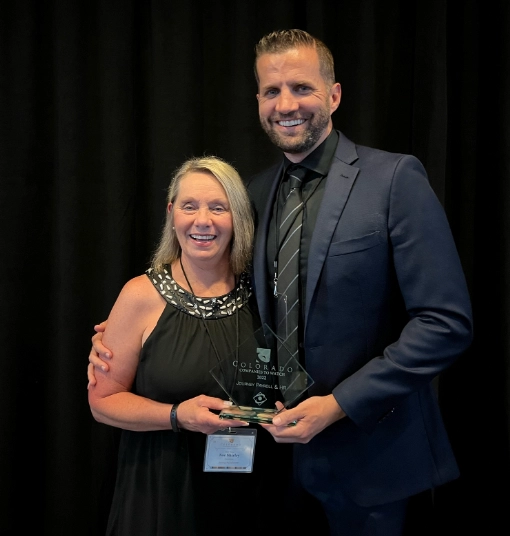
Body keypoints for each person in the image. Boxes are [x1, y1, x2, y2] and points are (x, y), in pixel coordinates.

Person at [89, 30, 473, 535]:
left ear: (334, 95)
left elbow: (446, 323)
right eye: (271, 91)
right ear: (258, 101)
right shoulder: (255, 193)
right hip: (272, 469)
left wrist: (337, 406)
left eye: (301, 87)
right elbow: (228, 298)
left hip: (370, 462)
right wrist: (127, 332)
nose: (285, 104)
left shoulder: (395, 179)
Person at [87, 156, 297, 536]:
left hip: (249, 497)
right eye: (190, 206)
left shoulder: (266, 297)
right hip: (162, 495)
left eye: (219, 208)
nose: (203, 221)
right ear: (171, 213)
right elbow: (102, 403)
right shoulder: (140, 296)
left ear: (238, 218)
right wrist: (176, 415)